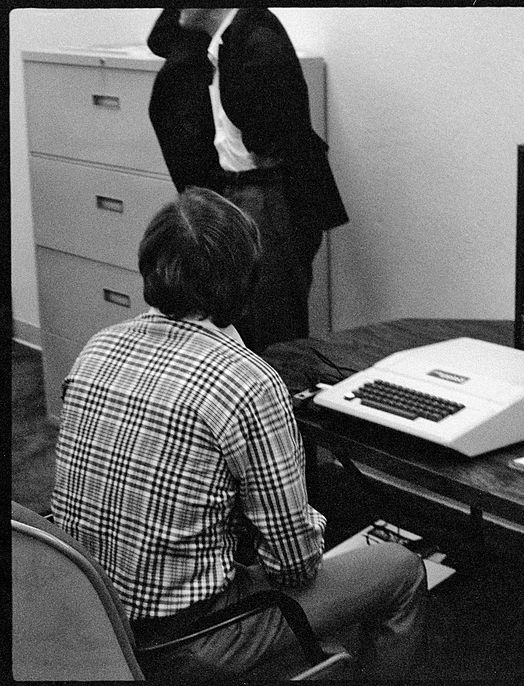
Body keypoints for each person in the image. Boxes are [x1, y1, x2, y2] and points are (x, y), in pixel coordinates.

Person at [50, 187, 425, 681]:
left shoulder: (98, 347)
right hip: (188, 641)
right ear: (243, 283)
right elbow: (296, 567)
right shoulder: (246, 382)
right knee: (399, 569)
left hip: (94, 616)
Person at [147, 8, 348, 354]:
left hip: (265, 192)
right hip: (237, 190)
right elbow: (160, 38)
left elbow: (273, 136)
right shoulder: (222, 38)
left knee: (271, 332)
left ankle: (277, 404)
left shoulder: (257, 40)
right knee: (247, 326)